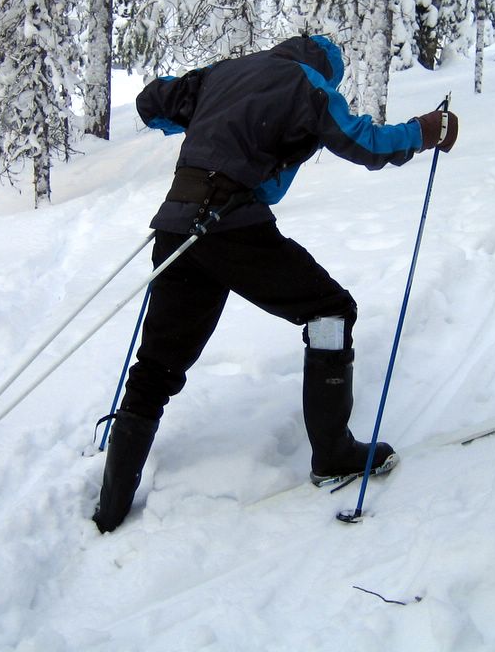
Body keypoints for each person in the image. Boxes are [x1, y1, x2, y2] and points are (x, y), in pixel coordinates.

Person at [93, 34, 458, 533]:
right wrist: (424, 131)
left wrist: (206, 104)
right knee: (330, 311)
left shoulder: (224, 72)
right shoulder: (308, 84)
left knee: (157, 365)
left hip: (177, 226)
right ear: (327, 70)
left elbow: (151, 102)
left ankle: (109, 508)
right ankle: (333, 454)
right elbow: (365, 143)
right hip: (231, 226)